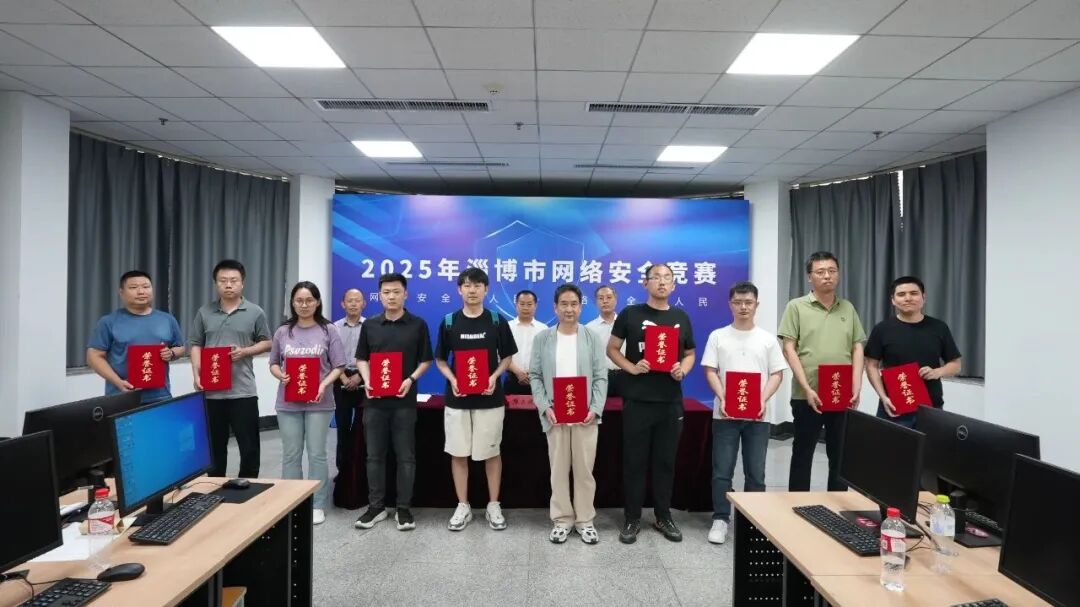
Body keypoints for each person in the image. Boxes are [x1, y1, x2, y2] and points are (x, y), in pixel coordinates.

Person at [608, 263, 696, 544]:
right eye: (655, 277)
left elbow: (690, 353)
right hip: (638, 400)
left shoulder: (681, 316)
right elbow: (612, 348)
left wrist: (683, 369)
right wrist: (631, 367)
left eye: (667, 278)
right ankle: (632, 517)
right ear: (645, 283)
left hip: (670, 401)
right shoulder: (630, 314)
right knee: (634, 461)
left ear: (674, 285)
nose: (661, 282)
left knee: (665, 462)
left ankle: (663, 516)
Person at [701, 281, 787, 544]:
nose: (743, 307)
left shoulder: (767, 339)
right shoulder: (718, 336)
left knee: (755, 472)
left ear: (756, 304)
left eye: (748, 302)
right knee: (722, 471)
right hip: (725, 415)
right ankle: (720, 518)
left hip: (758, 417)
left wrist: (762, 399)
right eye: (738, 302)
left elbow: (777, 374)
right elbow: (710, 370)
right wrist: (723, 397)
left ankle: (753, 520)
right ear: (730, 304)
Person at [434, 268, 518, 531]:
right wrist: (453, 379)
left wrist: (494, 376)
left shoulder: (496, 320)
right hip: (457, 399)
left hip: (489, 399)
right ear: (459, 289)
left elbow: (507, 357)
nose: (472, 290)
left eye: (477, 285)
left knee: (491, 452)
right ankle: (463, 505)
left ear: (486, 289)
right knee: (458, 453)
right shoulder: (449, 321)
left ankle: (494, 505)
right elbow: (440, 359)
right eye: (467, 285)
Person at [779, 251, 866, 492]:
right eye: (820, 272)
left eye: (832, 271)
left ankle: (837, 504)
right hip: (806, 395)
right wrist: (807, 388)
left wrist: (857, 386)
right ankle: (798, 502)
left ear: (838, 274)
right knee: (803, 452)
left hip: (841, 394)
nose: (827, 276)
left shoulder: (847, 308)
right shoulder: (796, 306)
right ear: (810, 277)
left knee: (839, 453)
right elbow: (788, 348)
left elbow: (857, 347)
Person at [353, 273, 433, 531]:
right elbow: (362, 359)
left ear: (405, 294)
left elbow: (426, 360)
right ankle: (376, 507)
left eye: (396, 292)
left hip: (404, 402)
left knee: (405, 456)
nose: (391, 296)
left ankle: (403, 508)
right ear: (380, 295)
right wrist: (367, 380)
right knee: (374, 456)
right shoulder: (370, 325)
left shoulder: (418, 325)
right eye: (386, 292)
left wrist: (410, 379)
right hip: (374, 402)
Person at [529, 284, 607, 545]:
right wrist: (545, 407)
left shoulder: (591, 337)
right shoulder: (543, 338)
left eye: (574, 304)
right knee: (558, 470)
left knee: (585, 471)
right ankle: (562, 519)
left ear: (581, 307)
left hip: (586, 415)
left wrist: (595, 408)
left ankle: (585, 520)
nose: (569, 309)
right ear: (555, 307)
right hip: (555, 415)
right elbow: (535, 376)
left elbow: (601, 376)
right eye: (564, 303)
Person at [269, 281, 348, 525]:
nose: (304, 305)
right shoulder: (283, 331)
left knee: (317, 454)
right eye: (299, 301)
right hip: (288, 403)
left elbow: (339, 365)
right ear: (292, 303)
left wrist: (323, 385)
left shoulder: (328, 330)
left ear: (317, 302)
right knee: (291, 454)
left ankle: (317, 503)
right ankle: (292, 502)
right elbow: (273, 363)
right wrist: (280, 375)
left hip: (319, 402)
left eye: (309, 300)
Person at [189, 259, 272, 479]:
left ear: (242, 283)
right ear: (216, 283)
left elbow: (267, 342)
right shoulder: (204, 312)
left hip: (243, 391)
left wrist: (245, 351)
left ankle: (248, 487)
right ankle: (215, 488)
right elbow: (196, 344)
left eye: (233, 280)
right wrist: (196, 374)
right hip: (212, 392)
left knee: (249, 447)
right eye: (223, 280)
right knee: (215, 448)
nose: (228, 285)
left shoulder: (255, 312)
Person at [864, 276, 962, 429]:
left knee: (931, 445)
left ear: (924, 297)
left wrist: (937, 372)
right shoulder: (882, 329)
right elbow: (871, 365)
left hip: (931, 407)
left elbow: (956, 365)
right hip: (893, 406)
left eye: (914, 293)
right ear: (893, 300)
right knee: (889, 445)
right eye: (901, 294)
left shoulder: (939, 327)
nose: (908, 298)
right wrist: (883, 397)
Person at [87, 270, 185, 404]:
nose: (141, 292)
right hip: (121, 396)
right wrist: (118, 382)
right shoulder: (109, 322)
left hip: (161, 397)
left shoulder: (167, 319)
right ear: (121, 292)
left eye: (146, 286)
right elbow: (93, 357)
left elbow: (180, 348)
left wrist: (171, 353)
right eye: (133, 287)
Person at [332, 288, 366, 474]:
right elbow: (330, 356)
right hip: (341, 378)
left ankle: (360, 471)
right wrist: (344, 377)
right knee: (342, 427)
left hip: (365, 378)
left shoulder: (370, 326)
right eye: (350, 300)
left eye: (357, 300)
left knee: (363, 428)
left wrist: (360, 376)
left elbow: (374, 354)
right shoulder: (334, 328)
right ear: (342, 304)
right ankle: (343, 472)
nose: (353, 304)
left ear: (364, 304)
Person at [586, 285, 625, 398]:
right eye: (601, 298)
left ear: (616, 300)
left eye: (609, 297)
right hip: (600, 377)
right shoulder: (589, 328)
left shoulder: (626, 324)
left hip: (625, 376)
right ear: (596, 302)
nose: (605, 301)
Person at [504, 290, 545, 396]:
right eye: (522, 304)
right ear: (516, 305)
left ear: (535, 306)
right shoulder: (507, 327)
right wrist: (517, 372)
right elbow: (501, 354)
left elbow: (546, 357)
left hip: (537, 381)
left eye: (529, 304)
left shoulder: (543, 329)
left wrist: (532, 373)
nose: (525, 308)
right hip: (512, 379)